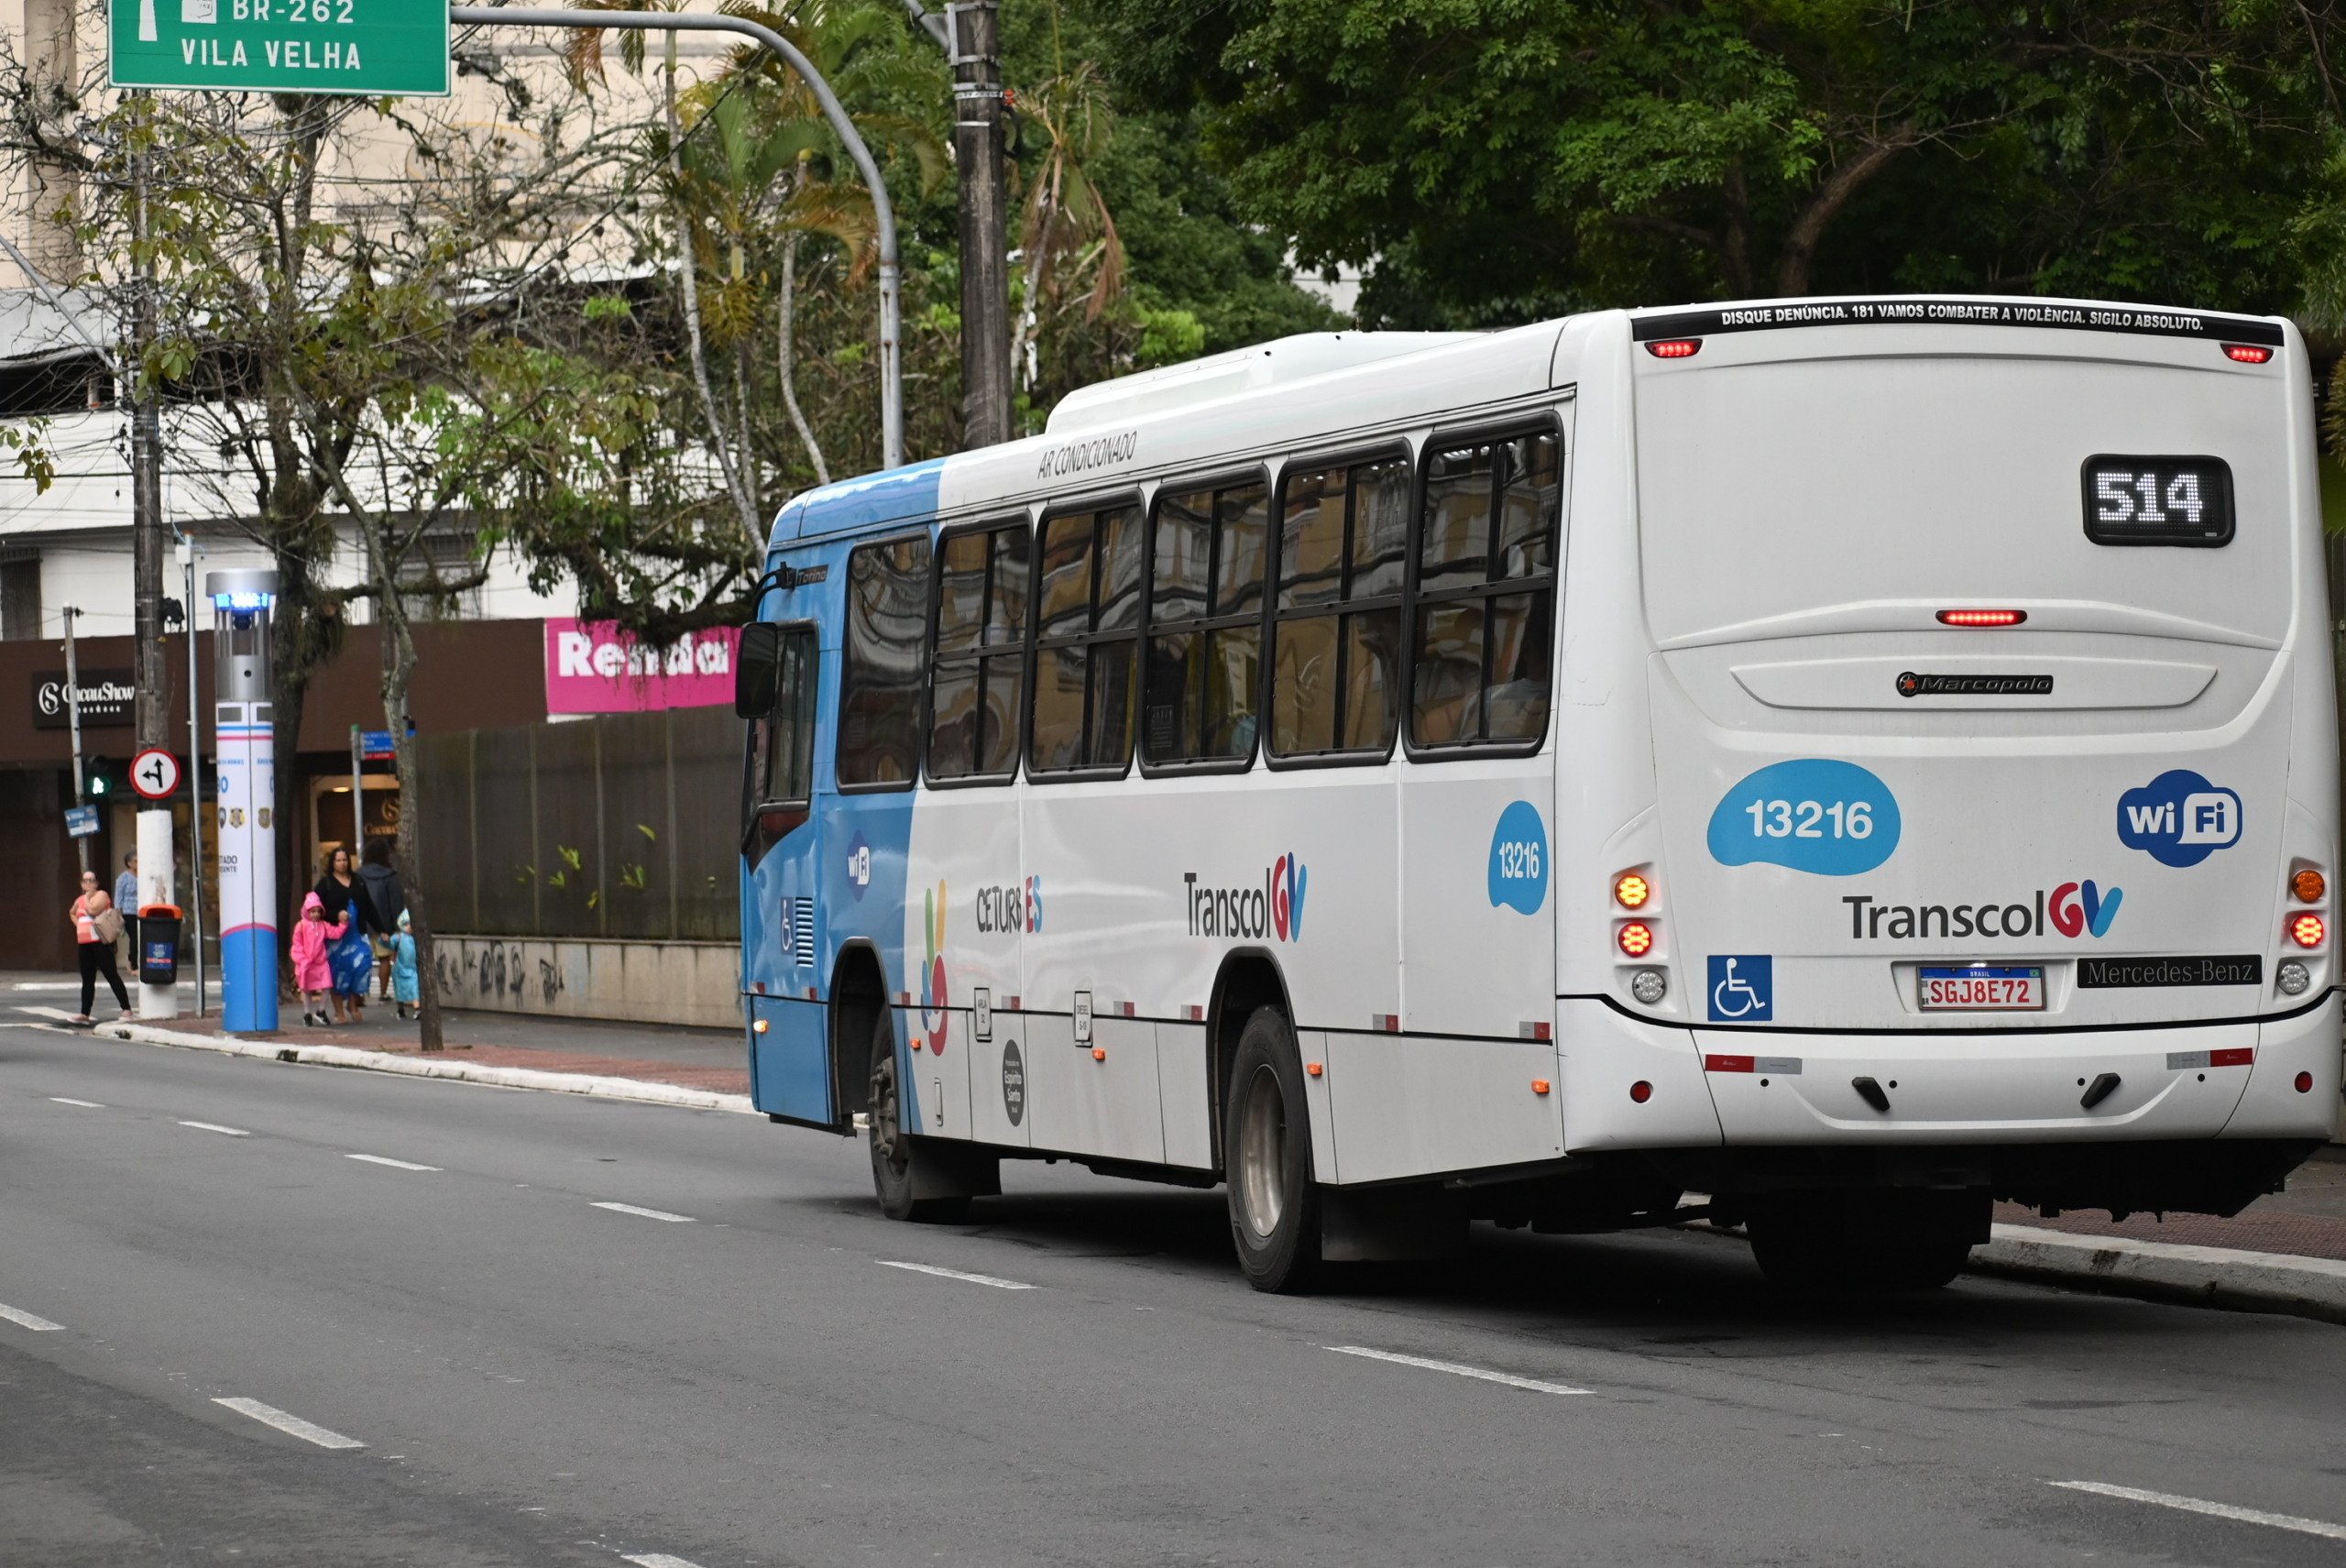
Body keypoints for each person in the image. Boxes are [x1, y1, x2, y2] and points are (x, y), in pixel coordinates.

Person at [312, 846, 378, 1025]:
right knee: (338, 973)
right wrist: (335, 915)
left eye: (345, 860)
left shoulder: (358, 881)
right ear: (332, 863)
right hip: (336, 938)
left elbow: (369, 907)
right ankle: (339, 1011)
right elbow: (315, 909)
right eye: (338, 860)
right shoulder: (325, 884)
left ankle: (354, 1004)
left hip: (358, 934)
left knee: (363, 966)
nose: (342, 863)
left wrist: (383, 929)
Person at [70, 870, 131, 1024]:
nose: (88, 883)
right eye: (85, 880)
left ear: (97, 883)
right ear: (81, 883)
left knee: (111, 974)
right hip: (84, 943)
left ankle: (126, 1009)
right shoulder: (80, 899)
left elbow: (93, 910)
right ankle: (85, 1013)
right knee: (87, 978)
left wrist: (88, 897)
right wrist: (78, 924)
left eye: (91, 880)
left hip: (100, 942)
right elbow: (72, 912)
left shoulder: (101, 895)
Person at [356, 838, 406, 1003]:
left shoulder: (359, 874)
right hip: (383, 925)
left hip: (362, 924)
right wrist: (396, 927)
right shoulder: (390, 875)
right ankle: (383, 993)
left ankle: (360, 995)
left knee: (362, 960)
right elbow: (395, 903)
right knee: (384, 959)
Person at [289, 892, 345, 1028]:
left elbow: (335, 933)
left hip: (320, 962)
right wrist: (302, 959)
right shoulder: (301, 926)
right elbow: (297, 944)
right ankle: (307, 1013)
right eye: (313, 911)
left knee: (326, 985)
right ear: (307, 911)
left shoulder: (323, 925)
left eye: (318, 911)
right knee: (306, 989)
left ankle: (321, 1010)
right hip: (306, 963)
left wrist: (343, 924)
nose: (316, 914)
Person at [390, 909, 419, 1020]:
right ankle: (400, 1008)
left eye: (410, 924)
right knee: (400, 989)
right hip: (400, 968)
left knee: (414, 987)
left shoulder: (415, 938)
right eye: (406, 924)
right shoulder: (399, 937)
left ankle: (417, 1008)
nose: (409, 926)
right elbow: (389, 944)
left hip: (412, 968)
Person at [114, 851, 139, 974]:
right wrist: (118, 912)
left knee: (140, 937)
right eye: (136, 861)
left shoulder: (143, 875)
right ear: (129, 863)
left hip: (141, 911)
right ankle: (133, 965)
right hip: (128, 911)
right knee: (134, 937)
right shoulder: (124, 877)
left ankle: (132, 959)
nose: (138, 864)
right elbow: (118, 895)